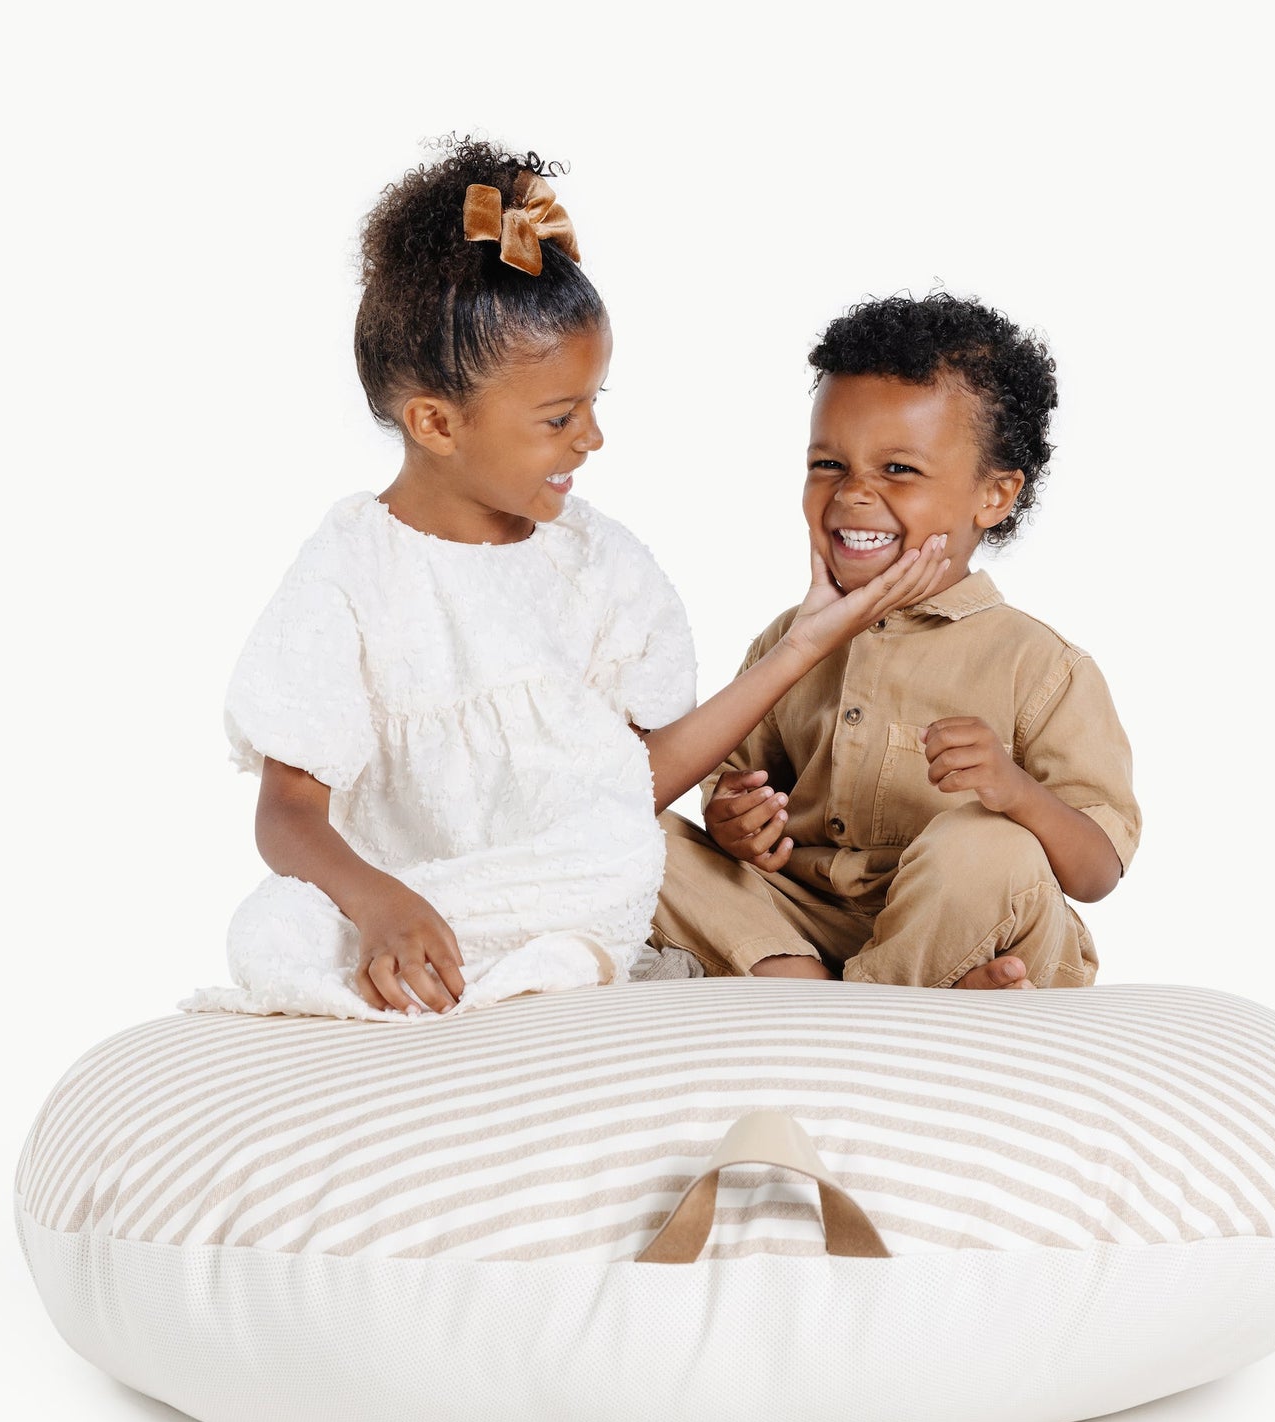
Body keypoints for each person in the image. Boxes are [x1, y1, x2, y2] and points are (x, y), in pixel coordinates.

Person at [181, 138, 948, 1022]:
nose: (592, 438)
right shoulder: (350, 569)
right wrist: (382, 901)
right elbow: (286, 813)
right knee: (273, 926)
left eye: (595, 403)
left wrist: (807, 642)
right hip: (406, 892)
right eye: (558, 417)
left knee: (634, 850)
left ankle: (538, 970)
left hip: (568, 888)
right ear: (436, 423)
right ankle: (454, 966)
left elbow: (627, 794)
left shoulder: (599, 563)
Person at [650, 293, 1140, 992]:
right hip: (806, 914)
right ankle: (806, 977)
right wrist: (736, 822)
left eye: (898, 470)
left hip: (964, 919)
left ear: (994, 496)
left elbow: (1096, 874)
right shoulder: (786, 641)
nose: (853, 494)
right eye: (828, 464)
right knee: (635, 835)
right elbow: (727, 783)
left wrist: (1015, 792)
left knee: (990, 849)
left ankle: (866, 1000)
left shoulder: (1041, 667)